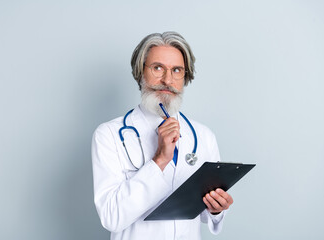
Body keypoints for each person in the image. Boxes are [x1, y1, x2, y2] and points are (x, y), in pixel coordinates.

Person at [92, 31, 233, 240]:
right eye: (158, 68)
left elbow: (206, 215)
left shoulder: (203, 136)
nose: (167, 80)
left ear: (185, 77)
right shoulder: (109, 135)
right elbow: (111, 217)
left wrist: (217, 209)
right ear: (140, 72)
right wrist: (159, 160)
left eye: (177, 70)